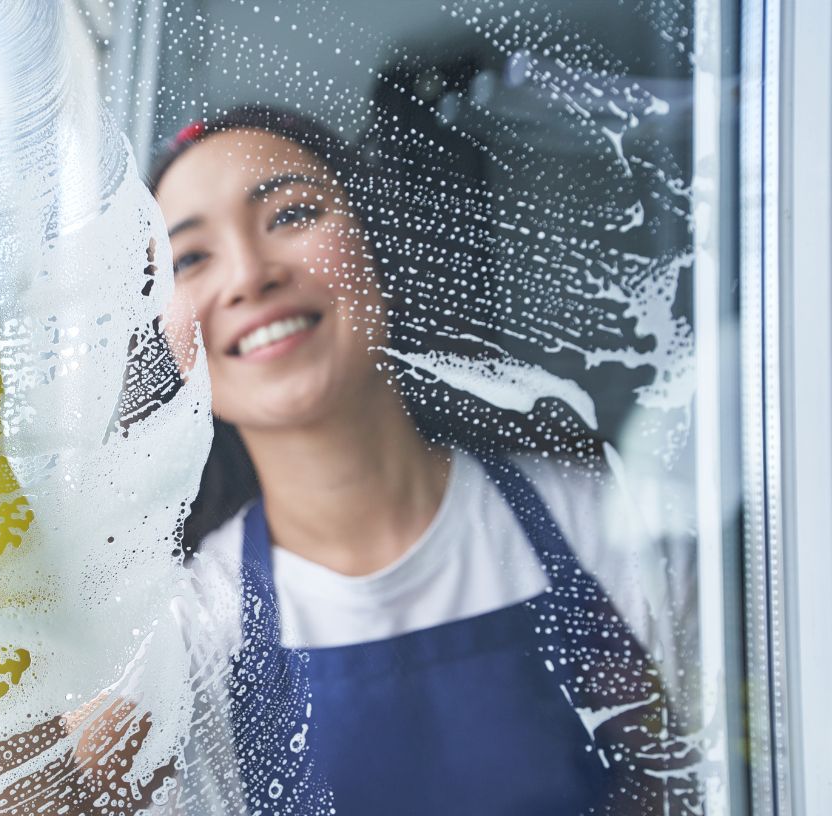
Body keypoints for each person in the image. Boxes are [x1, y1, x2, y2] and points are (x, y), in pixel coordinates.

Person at [148, 104, 700, 815]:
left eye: (290, 214)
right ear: (168, 344)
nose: (249, 276)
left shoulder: (604, 532)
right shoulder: (189, 638)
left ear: (382, 244)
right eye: (190, 258)